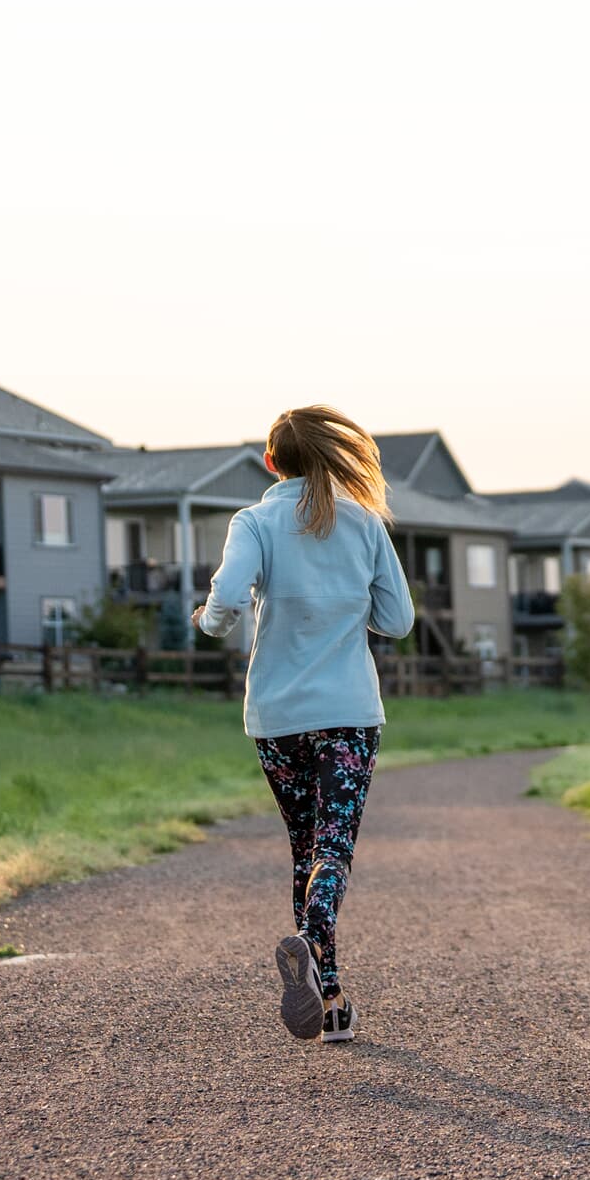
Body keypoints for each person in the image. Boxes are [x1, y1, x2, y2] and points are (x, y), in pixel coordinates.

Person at [193, 406, 414, 1044]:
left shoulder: (254, 522)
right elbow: (396, 622)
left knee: (304, 850)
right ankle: (315, 947)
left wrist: (207, 622)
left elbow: (228, 603)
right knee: (333, 849)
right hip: (347, 713)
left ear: (271, 463)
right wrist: (344, 604)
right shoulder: (365, 523)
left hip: (277, 717)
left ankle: (334, 1001)